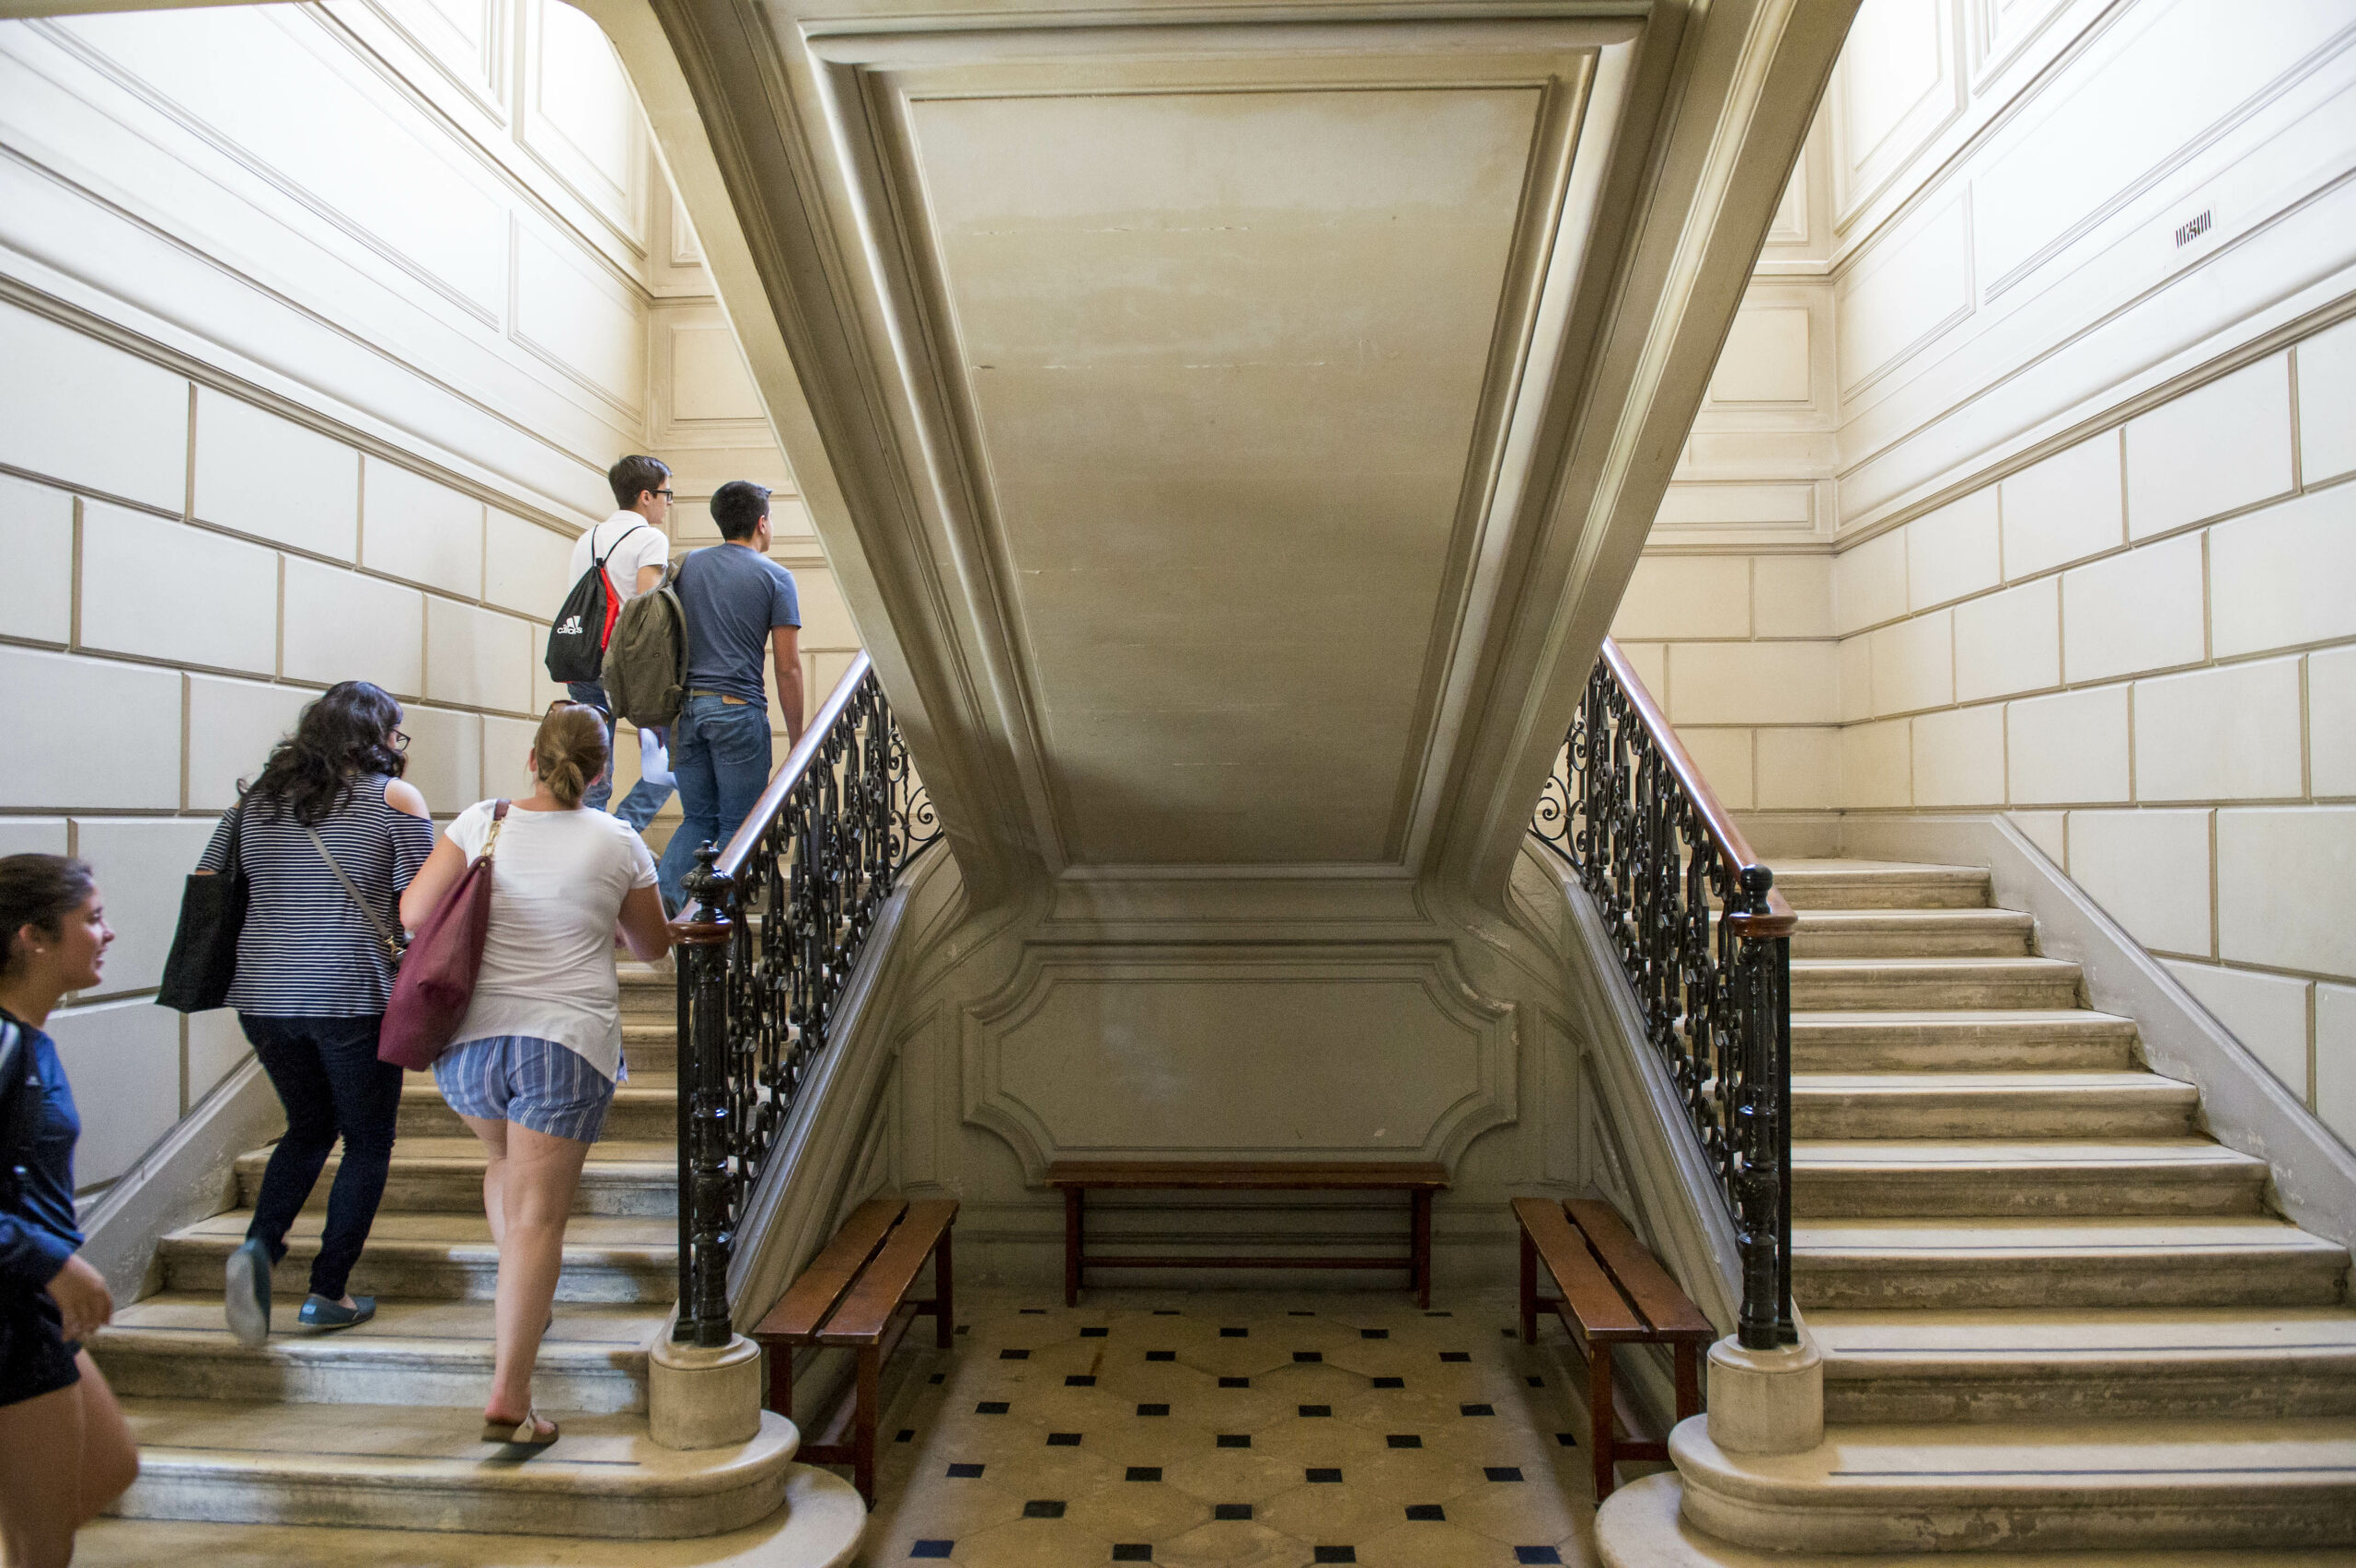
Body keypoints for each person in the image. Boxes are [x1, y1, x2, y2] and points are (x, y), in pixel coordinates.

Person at [400, 704, 670, 1447]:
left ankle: (526, 1294)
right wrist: (600, 917)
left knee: (503, 1169)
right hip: (562, 1043)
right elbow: (653, 946)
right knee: (538, 1220)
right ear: (601, 772)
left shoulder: (480, 821)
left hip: (469, 1046)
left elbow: (414, 913)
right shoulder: (618, 840)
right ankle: (510, 1397)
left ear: (532, 760)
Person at [195, 680, 435, 1345]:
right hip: (349, 993)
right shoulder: (393, 798)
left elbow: (210, 880)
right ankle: (328, 1291)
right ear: (377, 735)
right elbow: (423, 905)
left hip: (261, 996)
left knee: (307, 1128)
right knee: (367, 1139)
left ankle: (258, 1247)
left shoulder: (255, 801)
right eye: (396, 731)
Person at [0, 856, 139, 1568]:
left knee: (106, 1469)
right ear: (34, 937)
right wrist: (49, 1261)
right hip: (12, 1306)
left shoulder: (28, 1040)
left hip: (30, 1303)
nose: (107, 933)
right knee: (42, 1541)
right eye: (92, 919)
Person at [655, 479, 804, 911]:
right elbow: (787, 667)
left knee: (698, 820)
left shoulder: (685, 567)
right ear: (762, 523)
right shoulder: (776, 577)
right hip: (738, 711)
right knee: (739, 827)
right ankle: (716, 928)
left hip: (686, 712)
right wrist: (798, 738)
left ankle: (669, 915)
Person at [568, 455, 678, 829]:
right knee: (668, 765)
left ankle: (592, 838)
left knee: (593, 768)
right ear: (646, 496)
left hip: (583, 662)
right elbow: (648, 615)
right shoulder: (650, 539)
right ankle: (622, 830)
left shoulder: (586, 538)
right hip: (629, 669)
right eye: (666, 494)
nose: (668, 503)